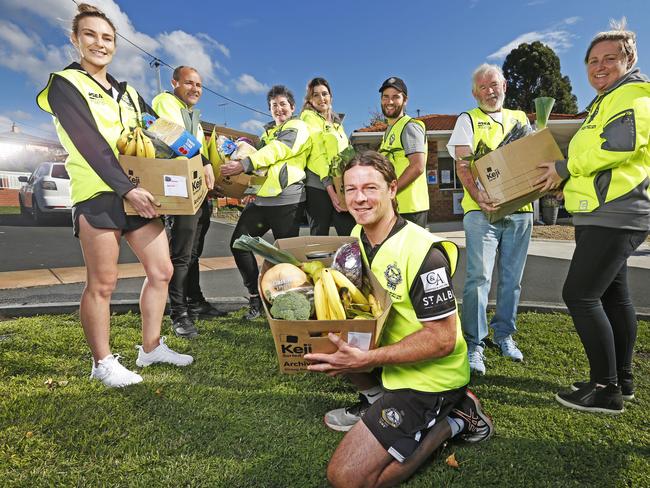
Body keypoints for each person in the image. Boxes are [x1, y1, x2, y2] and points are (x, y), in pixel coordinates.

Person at [304, 151, 493, 488]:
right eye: (350, 189)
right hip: (391, 362)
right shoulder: (359, 240)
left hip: (431, 377)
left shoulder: (423, 252)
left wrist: (366, 358)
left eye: (370, 188)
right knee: (339, 343)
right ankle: (377, 402)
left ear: (392, 189)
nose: (359, 198)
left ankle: (457, 418)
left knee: (347, 478)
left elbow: (442, 339)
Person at [36, 4, 192, 387]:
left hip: (138, 191)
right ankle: (102, 362)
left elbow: (159, 128)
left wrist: (197, 156)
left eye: (107, 37)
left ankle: (151, 347)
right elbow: (89, 142)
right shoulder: (65, 85)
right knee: (102, 283)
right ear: (76, 40)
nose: (99, 43)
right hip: (99, 193)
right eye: (90, 35)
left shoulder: (127, 92)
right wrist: (127, 188)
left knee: (162, 270)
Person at [536, 20, 650, 414]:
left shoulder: (632, 95)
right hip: (603, 211)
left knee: (580, 295)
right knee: (613, 295)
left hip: (616, 212)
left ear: (629, 60)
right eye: (592, 61)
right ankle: (622, 379)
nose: (599, 67)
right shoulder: (608, 99)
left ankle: (606, 389)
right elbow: (601, 162)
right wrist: (565, 184)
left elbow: (616, 146)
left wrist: (565, 167)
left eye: (609, 59)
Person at [447, 64, 533, 375]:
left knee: (512, 280)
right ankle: (474, 344)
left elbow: (532, 157)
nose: (490, 91)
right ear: (474, 93)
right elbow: (462, 163)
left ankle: (504, 334)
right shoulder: (468, 120)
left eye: (494, 85)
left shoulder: (520, 119)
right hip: (481, 211)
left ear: (505, 86)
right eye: (483, 87)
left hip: (521, 212)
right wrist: (479, 195)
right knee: (478, 279)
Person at [221, 85, 311, 319]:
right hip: (261, 202)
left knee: (285, 258)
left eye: (283, 104)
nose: (279, 109)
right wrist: (251, 186)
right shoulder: (267, 135)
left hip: (287, 202)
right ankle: (254, 297)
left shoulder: (297, 127)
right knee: (239, 243)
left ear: (292, 107)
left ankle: (290, 306)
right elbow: (263, 168)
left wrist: (244, 164)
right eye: (274, 106)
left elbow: (277, 152)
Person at [152, 66, 226, 339]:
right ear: (175, 83)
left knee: (194, 252)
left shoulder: (193, 115)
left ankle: (196, 302)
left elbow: (198, 149)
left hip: (197, 190)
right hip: (178, 188)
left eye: (199, 85)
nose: (195, 89)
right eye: (189, 83)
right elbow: (170, 134)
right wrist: (204, 162)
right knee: (181, 255)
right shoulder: (166, 102)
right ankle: (179, 314)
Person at [300, 77, 355, 236]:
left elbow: (345, 154)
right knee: (320, 235)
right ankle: (317, 262)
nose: (321, 98)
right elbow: (318, 153)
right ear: (310, 100)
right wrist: (330, 189)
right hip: (318, 185)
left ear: (331, 96)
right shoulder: (308, 118)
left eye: (324, 94)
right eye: (315, 95)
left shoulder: (337, 123)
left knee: (349, 232)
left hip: (339, 184)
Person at [377, 77, 430, 228]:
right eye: (385, 97)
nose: (390, 101)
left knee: (412, 252)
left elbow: (417, 166)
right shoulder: (389, 131)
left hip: (411, 209)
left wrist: (390, 192)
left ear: (405, 100)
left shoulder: (410, 127)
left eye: (396, 97)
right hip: (396, 207)